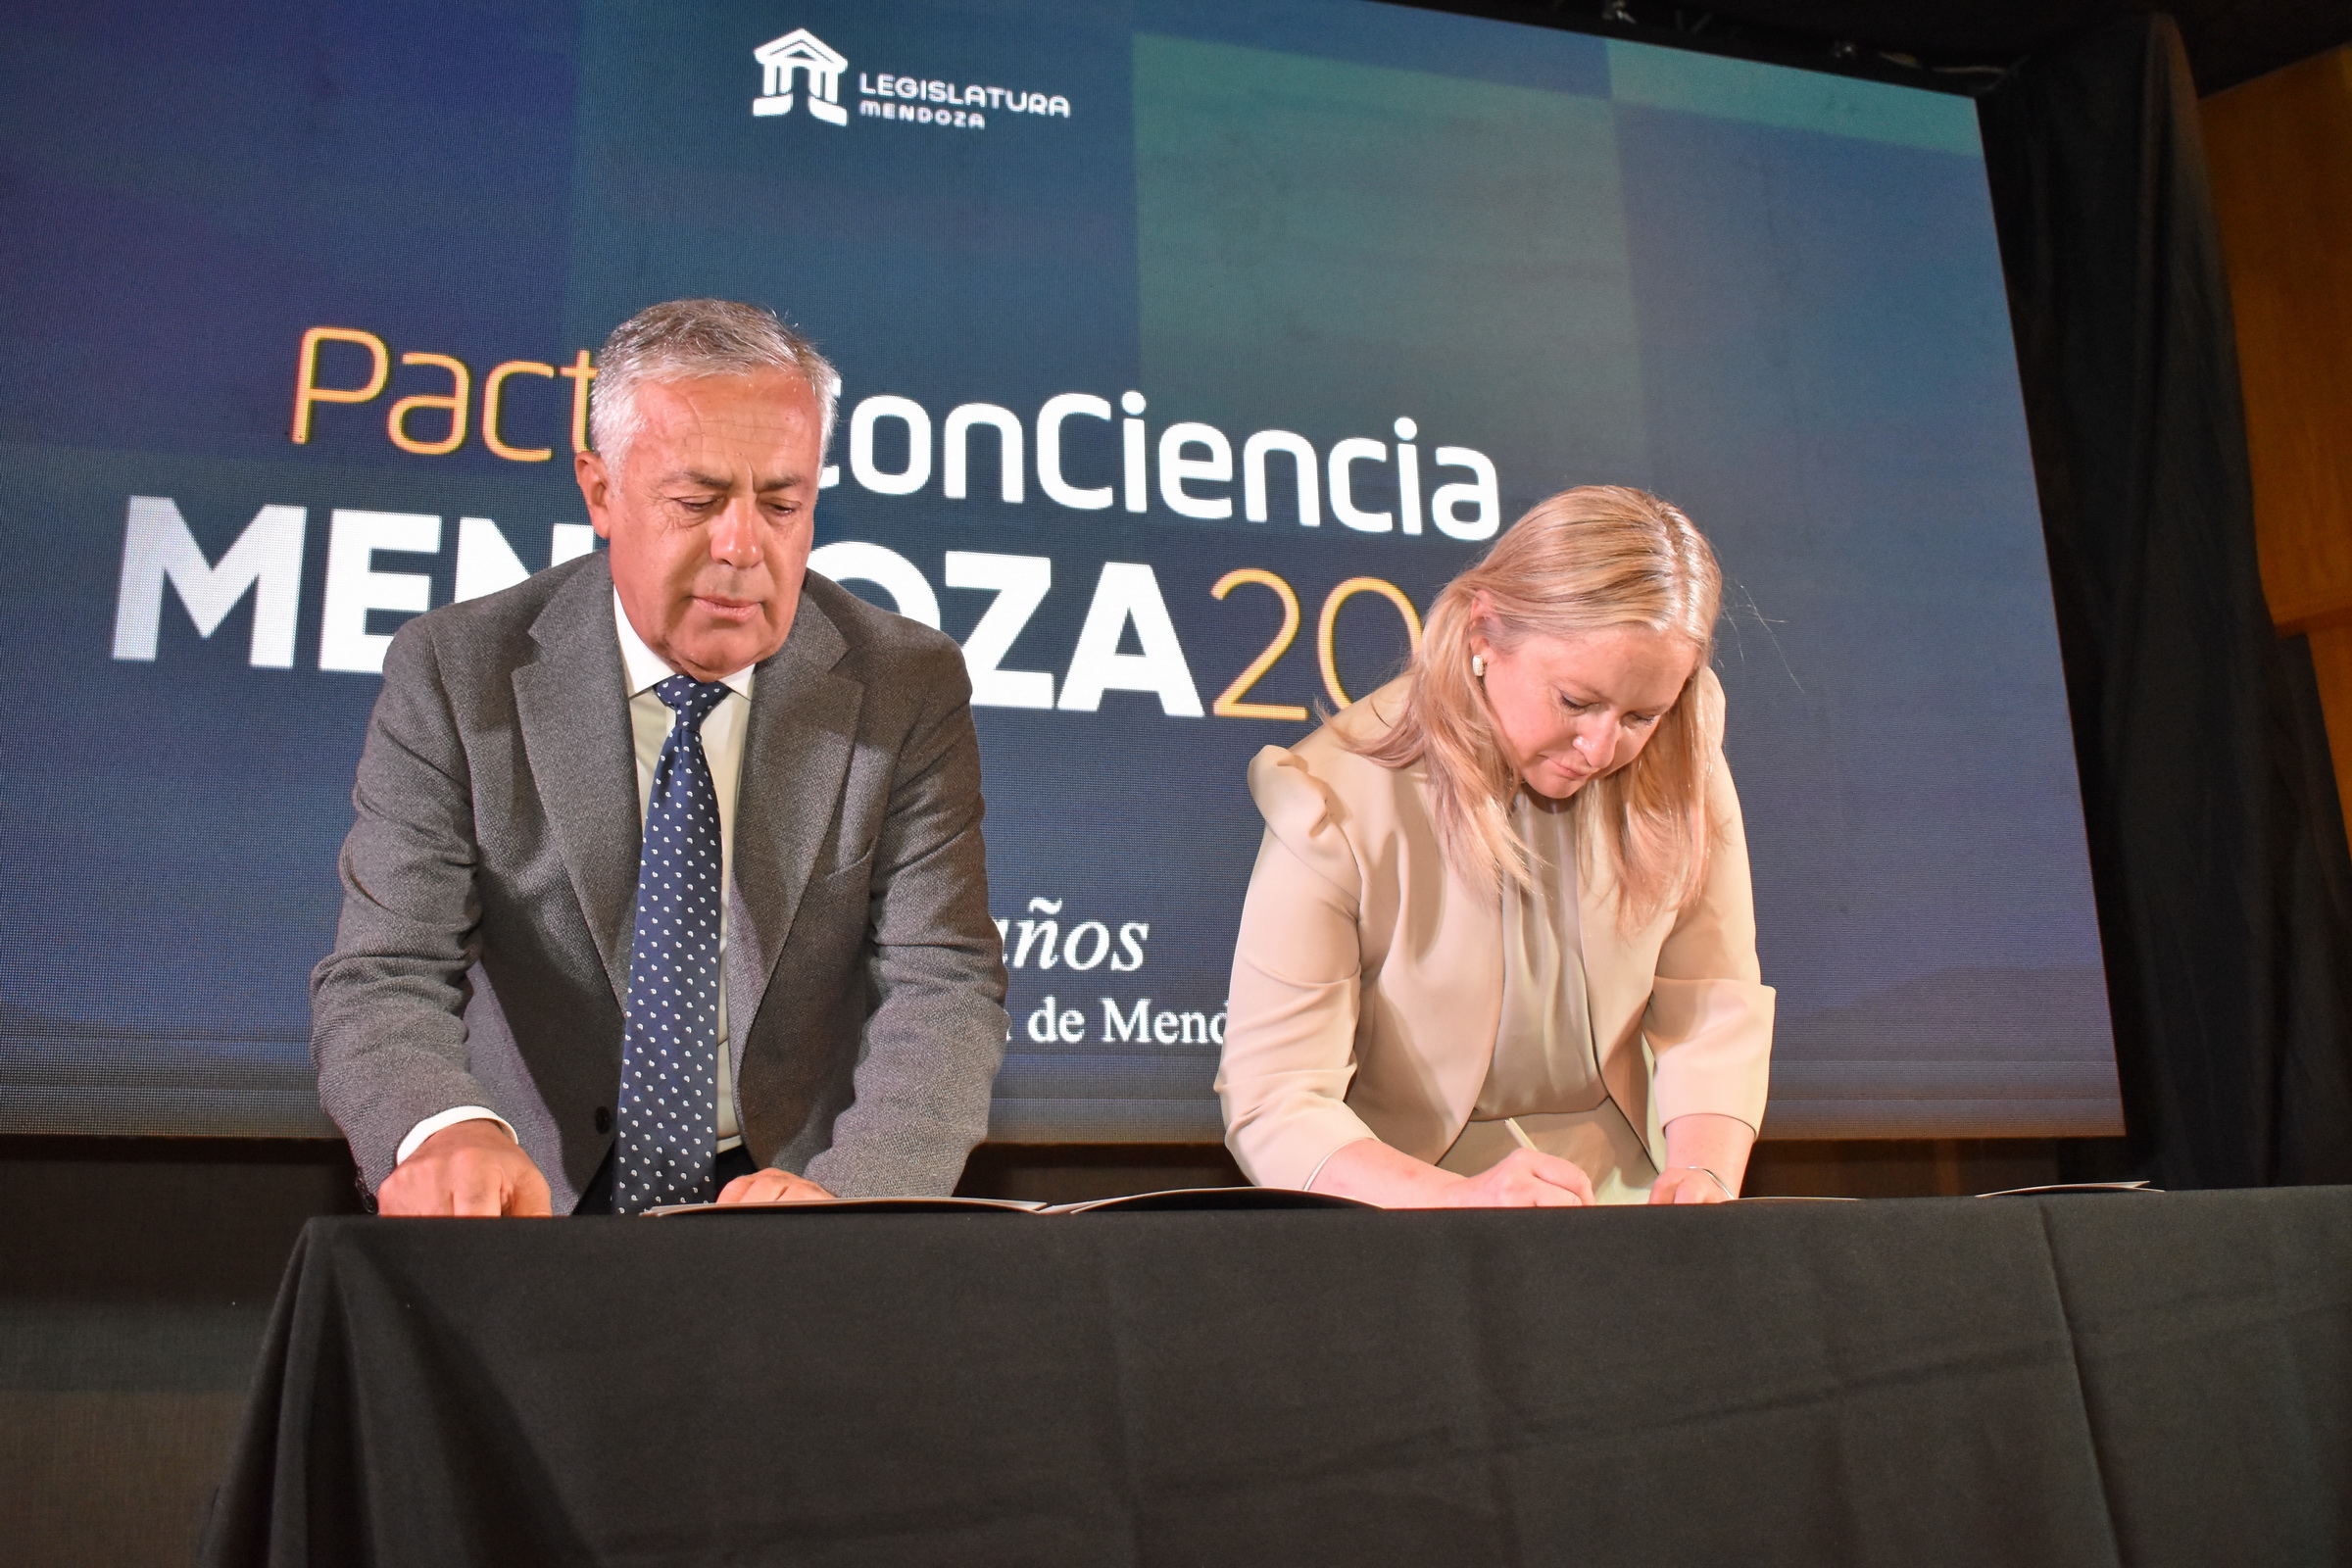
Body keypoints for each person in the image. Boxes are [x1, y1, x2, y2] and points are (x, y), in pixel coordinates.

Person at [312, 299, 1007, 1216]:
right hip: (529, 1185)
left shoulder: (906, 682)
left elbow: (944, 982)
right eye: (697, 501)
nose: (742, 546)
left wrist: (853, 1199)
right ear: (601, 492)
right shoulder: (457, 671)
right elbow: (385, 970)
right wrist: (446, 1129)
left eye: (783, 504)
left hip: (795, 1186)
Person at [1216, 486, 1772, 1207]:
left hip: (1639, 1198)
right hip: (1411, 1207)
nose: (1602, 747)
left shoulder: (1682, 749)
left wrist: (1703, 1176)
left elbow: (1711, 1000)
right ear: (1484, 632)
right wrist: (1461, 1202)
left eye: (1642, 715)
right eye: (1576, 701)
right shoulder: (1333, 795)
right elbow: (1275, 1099)